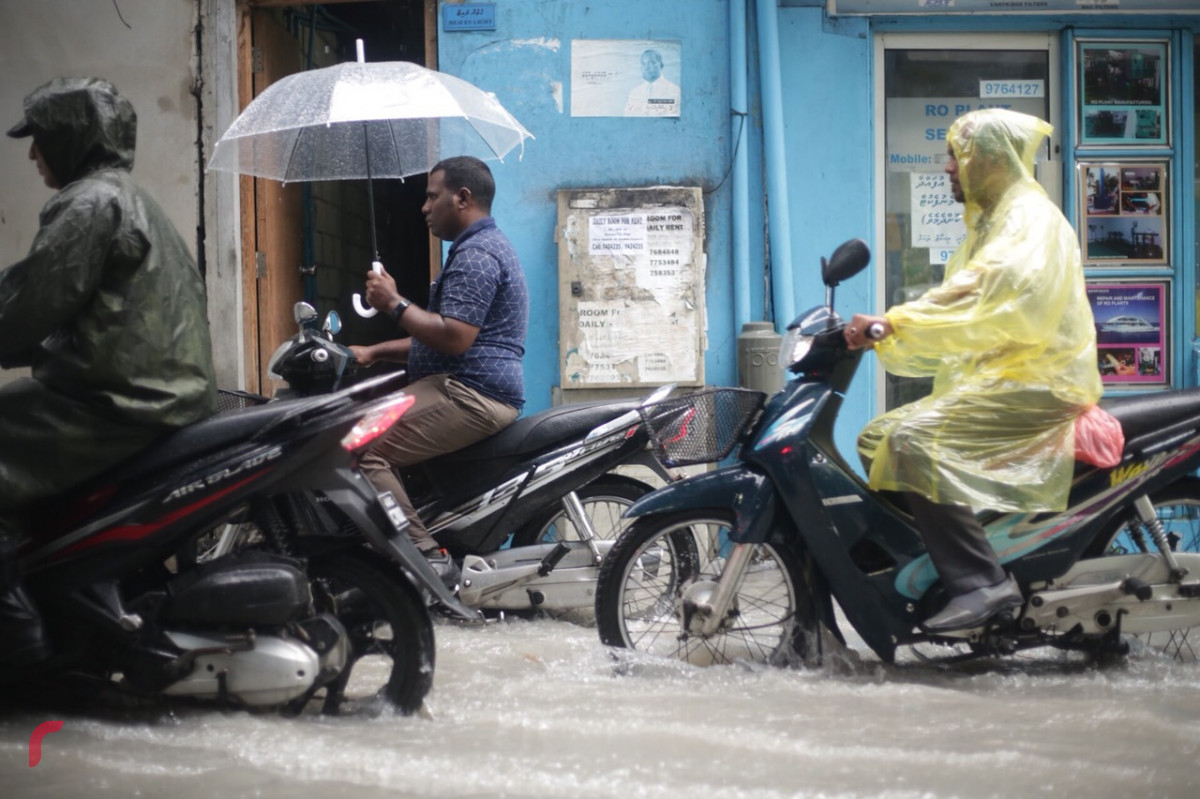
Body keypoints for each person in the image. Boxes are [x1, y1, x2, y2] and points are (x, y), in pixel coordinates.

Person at [843, 108, 1101, 634]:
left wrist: (893, 323)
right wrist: (895, 325)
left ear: (988, 160)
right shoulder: (991, 220)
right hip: (1006, 378)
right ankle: (939, 558)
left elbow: (986, 291)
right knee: (877, 438)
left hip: (1041, 384)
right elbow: (966, 298)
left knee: (912, 442)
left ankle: (982, 582)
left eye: (955, 157)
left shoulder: (1028, 217)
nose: (947, 169)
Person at [0, 77, 217, 664]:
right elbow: (66, 314)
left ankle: (19, 641)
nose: (31, 153)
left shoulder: (87, 202)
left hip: (116, 400)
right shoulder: (132, 198)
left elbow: (29, 303)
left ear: (69, 138)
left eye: (40, 139)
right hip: (160, 395)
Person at [350, 156, 528, 589]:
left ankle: (426, 559)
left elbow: (454, 338)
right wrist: (373, 352)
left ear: (462, 198)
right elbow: (437, 335)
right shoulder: (474, 250)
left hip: (471, 393)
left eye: (431, 196)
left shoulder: (478, 255)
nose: (424, 208)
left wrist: (393, 302)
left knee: (360, 447)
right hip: (461, 386)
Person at [624, 49, 680, 117]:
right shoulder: (634, 92)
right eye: (643, 63)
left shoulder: (674, 90)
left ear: (661, 65)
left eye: (652, 63)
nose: (647, 67)